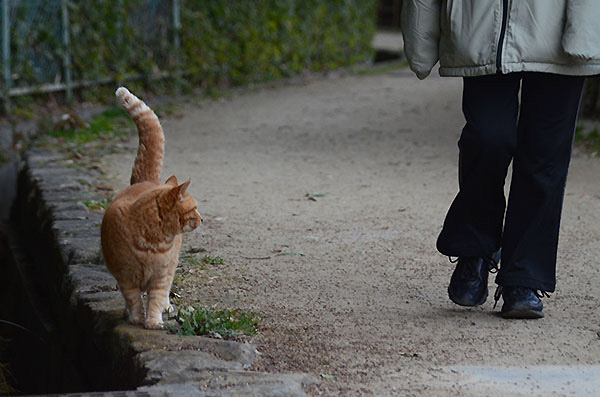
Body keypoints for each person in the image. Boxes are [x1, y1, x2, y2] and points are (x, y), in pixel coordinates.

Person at [400, 1, 600, 318]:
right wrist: (421, 36)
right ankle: (475, 248)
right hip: (481, 28)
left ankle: (524, 279)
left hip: (561, 30)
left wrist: (588, 31)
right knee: (487, 138)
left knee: (544, 157)